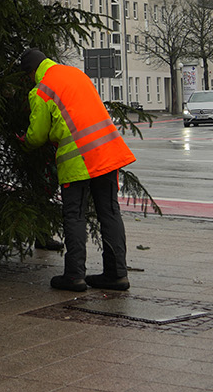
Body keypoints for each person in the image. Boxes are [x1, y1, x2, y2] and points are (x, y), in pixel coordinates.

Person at [19, 48, 137, 292]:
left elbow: (37, 135)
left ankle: (74, 276)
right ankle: (117, 274)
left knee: (74, 215)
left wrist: (24, 141)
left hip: (78, 158)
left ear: (31, 73)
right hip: (107, 151)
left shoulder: (41, 90)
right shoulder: (75, 74)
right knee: (110, 212)